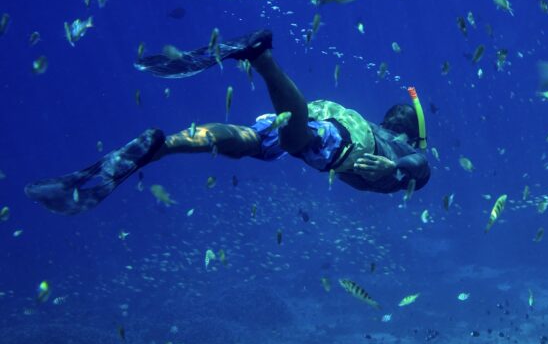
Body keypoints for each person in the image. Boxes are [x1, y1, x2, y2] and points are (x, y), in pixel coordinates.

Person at [25, 30, 431, 215]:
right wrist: (396, 164)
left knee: (254, 142)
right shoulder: (401, 146)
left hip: (331, 114)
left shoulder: (380, 128)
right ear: (407, 133)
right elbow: (421, 168)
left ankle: (164, 145)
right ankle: (262, 58)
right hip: (347, 138)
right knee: (299, 140)